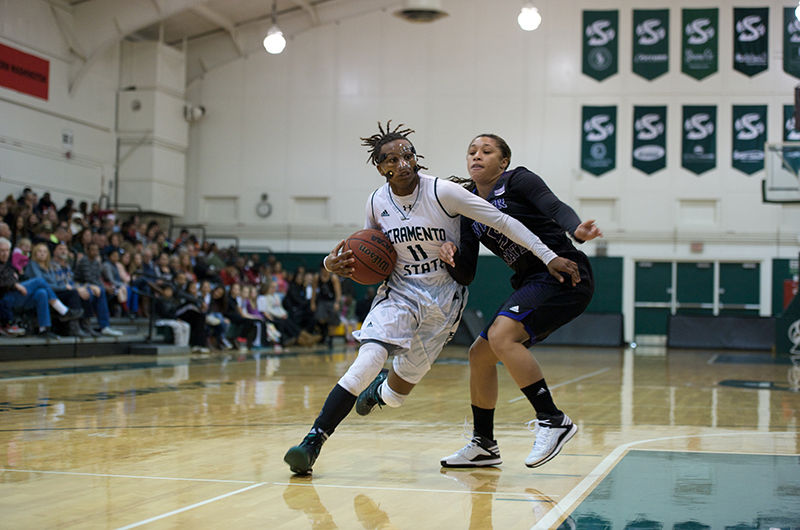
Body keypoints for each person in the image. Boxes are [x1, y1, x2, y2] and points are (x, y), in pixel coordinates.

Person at [283, 121, 579, 475]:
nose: (403, 162)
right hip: (400, 292)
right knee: (368, 360)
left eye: (408, 154)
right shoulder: (377, 202)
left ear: (416, 157)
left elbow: (504, 223)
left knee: (395, 396)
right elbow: (367, 256)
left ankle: (382, 392)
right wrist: (332, 264)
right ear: (380, 168)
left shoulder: (443, 192)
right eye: (392, 159)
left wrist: (548, 256)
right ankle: (313, 441)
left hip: (442, 300)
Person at [437, 133, 601, 469]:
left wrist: (576, 229)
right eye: (471, 151)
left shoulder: (518, 180)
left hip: (563, 272)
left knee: (501, 336)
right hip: (530, 280)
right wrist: (450, 257)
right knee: (480, 355)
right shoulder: (467, 205)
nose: (476, 156)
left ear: (504, 161)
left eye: (486, 151)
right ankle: (484, 444)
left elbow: (553, 206)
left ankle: (552, 419)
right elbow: (467, 272)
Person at [0, 237, 82, 338]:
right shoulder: (30, 265)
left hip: (18, 296)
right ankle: (63, 310)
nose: (5, 253)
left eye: (7, 250)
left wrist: (14, 280)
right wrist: (14, 284)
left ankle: (44, 329)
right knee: (39, 281)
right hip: (5, 298)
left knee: (42, 293)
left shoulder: (8, 265)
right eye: (2, 250)